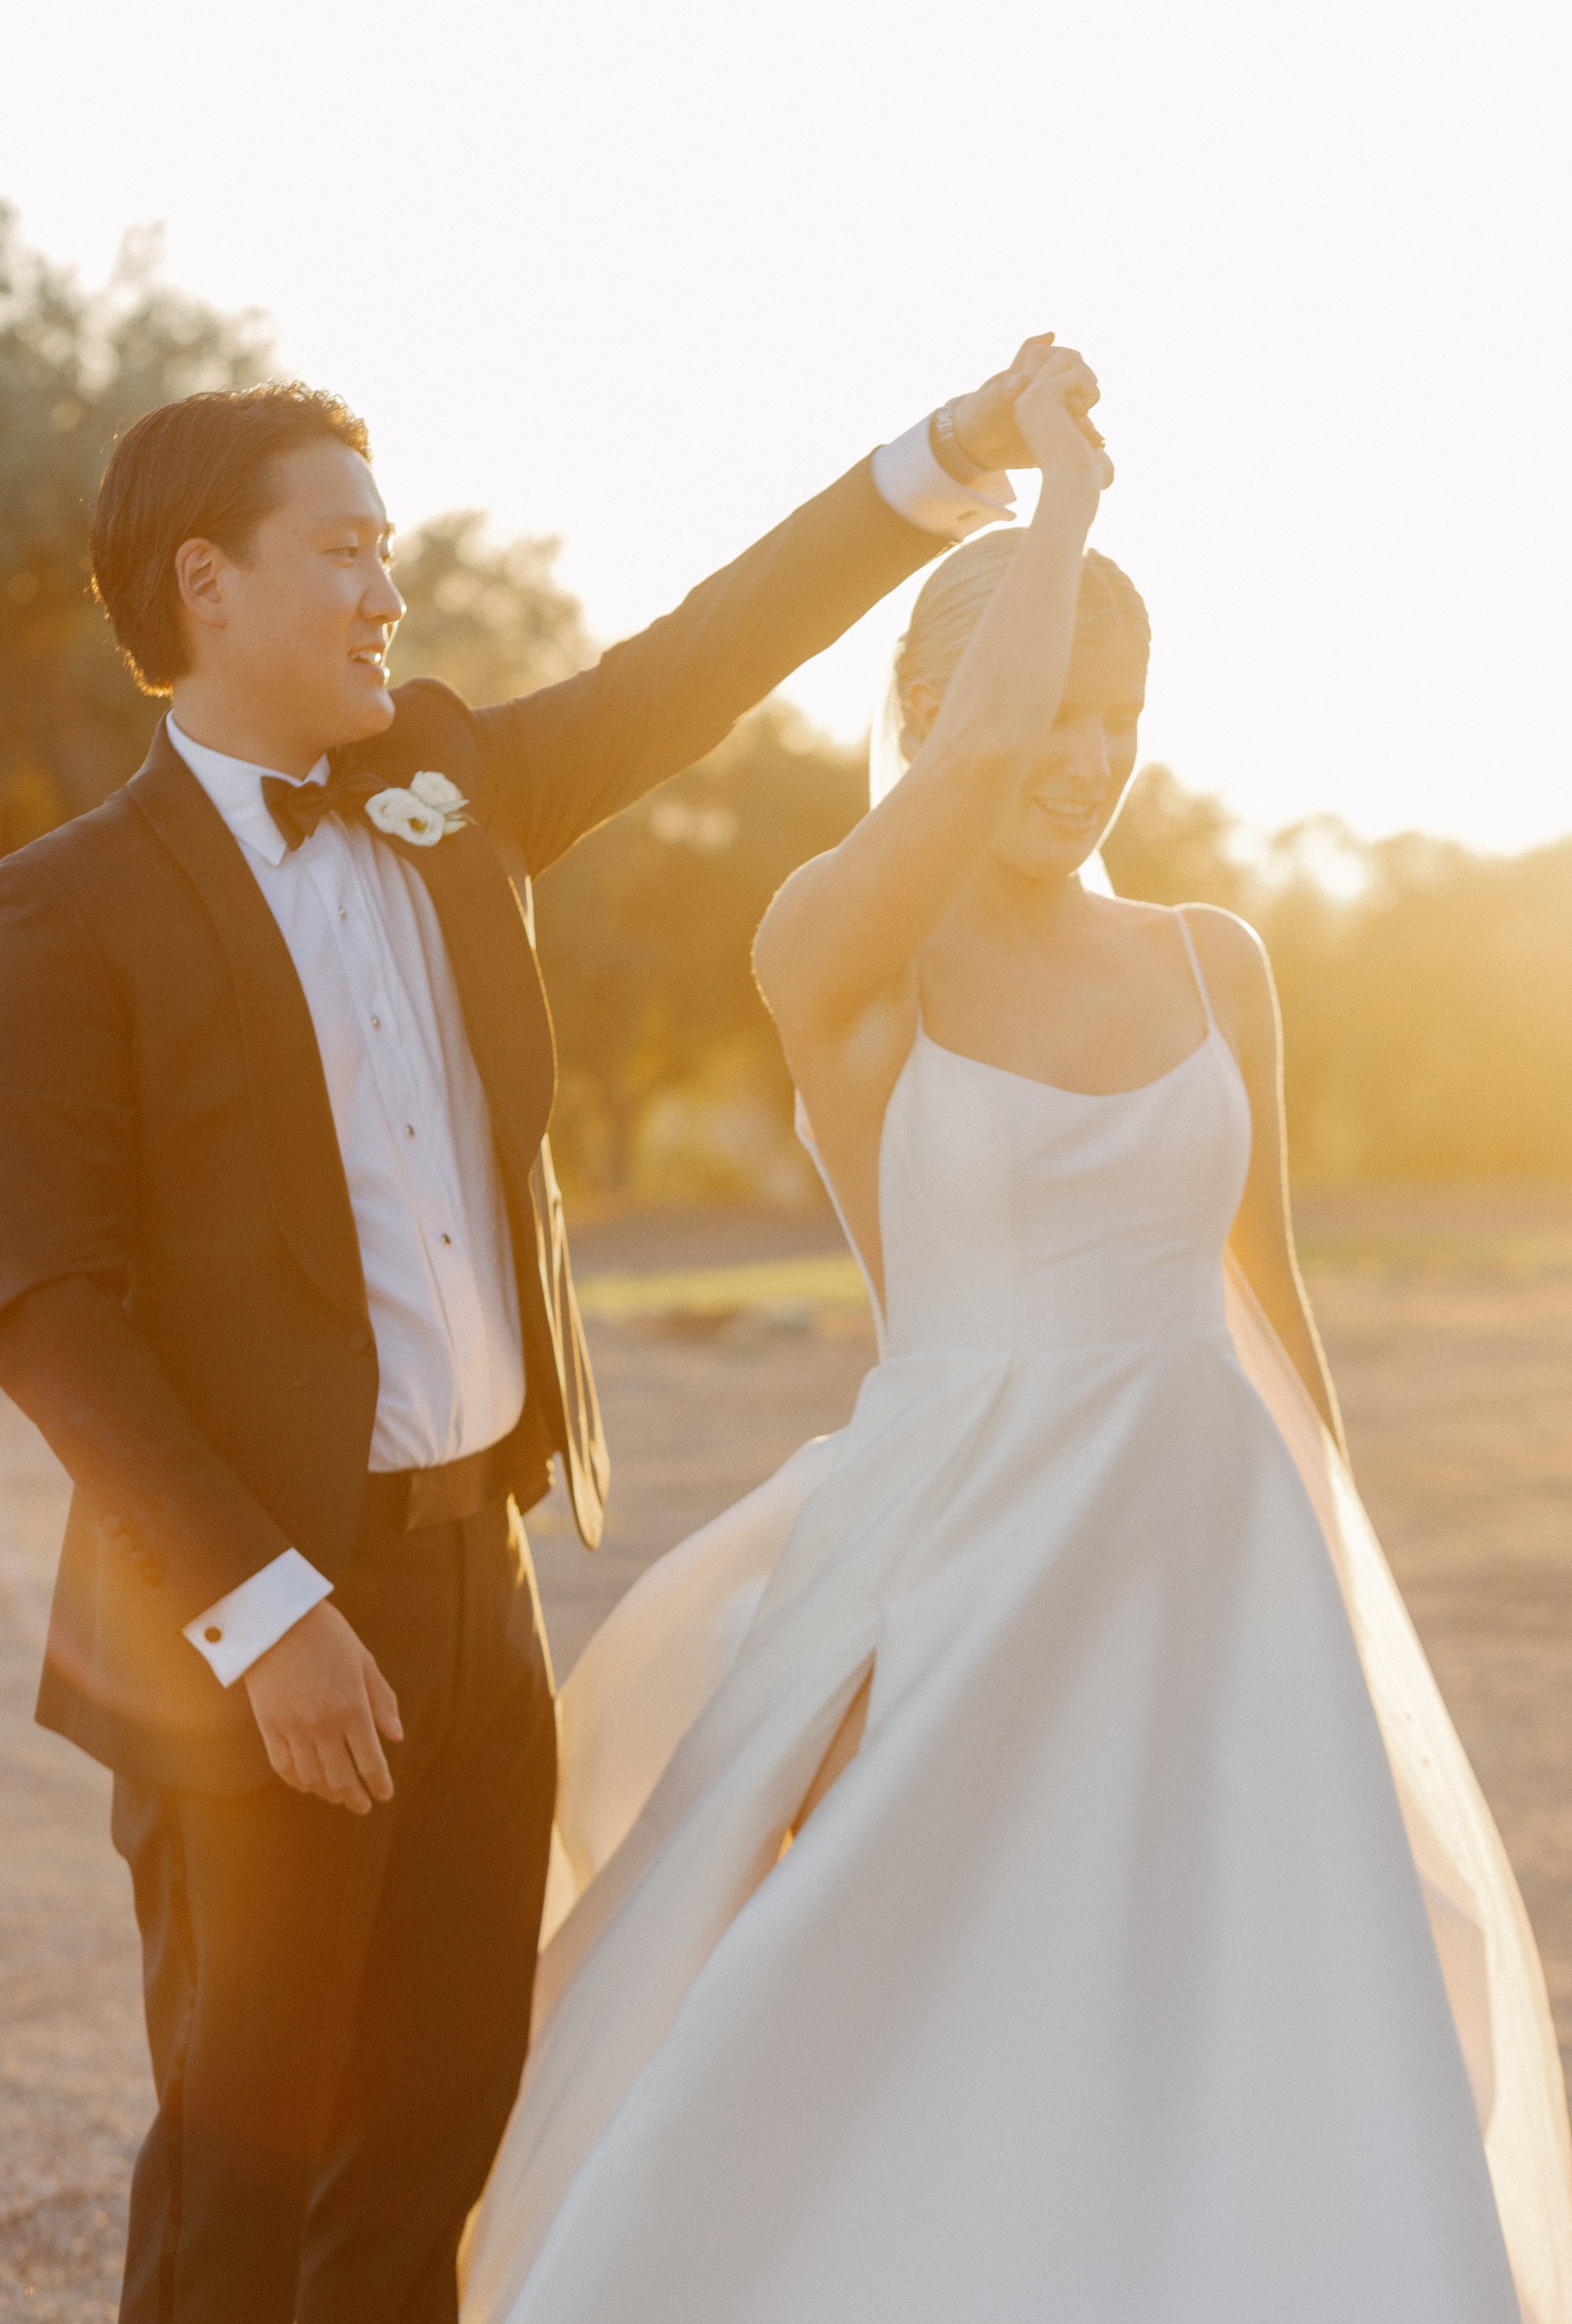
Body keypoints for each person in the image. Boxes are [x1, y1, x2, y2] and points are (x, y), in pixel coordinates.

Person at [458, 347, 1572, 2321]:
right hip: (966, 1545)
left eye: (1119, 724)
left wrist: (1337, 1598)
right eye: (1045, 715)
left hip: (1214, 1564)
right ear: (934, 716)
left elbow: (1270, 1298)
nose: (1079, 762)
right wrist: (1053, 496)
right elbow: (966, 783)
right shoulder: (837, 951)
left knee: (1230, 2013)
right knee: (920, 1988)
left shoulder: (1213, 961)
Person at [0, 343, 1060, 2323]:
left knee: (430, 2164)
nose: (388, 587)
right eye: (345, 549)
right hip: (250, 1641)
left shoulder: (451, 786)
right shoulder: (63, 914)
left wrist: (946, 458)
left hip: (483, 1610)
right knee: (244, 2191)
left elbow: (696, 659)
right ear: (206, 587)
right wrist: (263, 1615)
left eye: (389, 545)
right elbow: (48, 1310)